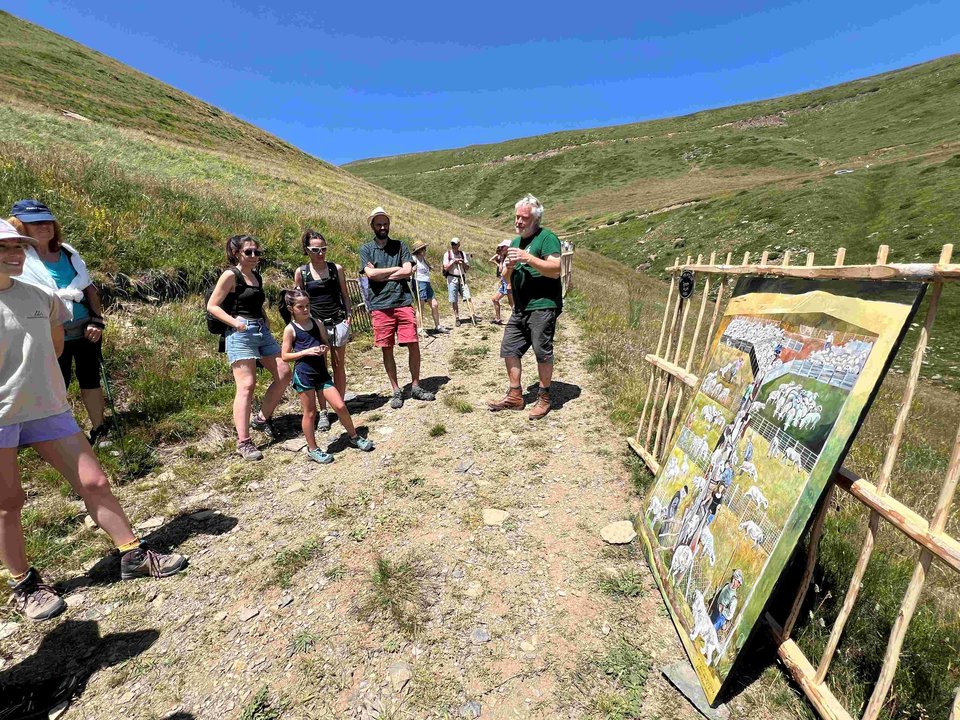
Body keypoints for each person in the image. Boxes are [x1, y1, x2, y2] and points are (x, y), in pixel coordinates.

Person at [0, 219, 187, 622]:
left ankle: (132, 554)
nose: (15, 255)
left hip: (47, 407)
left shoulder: (39, 294)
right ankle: (25, 583)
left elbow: (52, 343)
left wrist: (45, 383)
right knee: (7, 502)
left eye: (18, 247)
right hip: (1, 416)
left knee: (95, 481)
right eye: (4, 249)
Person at [9, 201, 108, 445]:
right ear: (21, 226)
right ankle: (58, 437)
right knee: (54, 386)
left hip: (86, 330)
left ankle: (99, 430)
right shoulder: (18, 258)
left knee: (91, 380)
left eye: (48, 221)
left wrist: (97, 320)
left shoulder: (68, 252)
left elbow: (89, 289)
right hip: (46, 333)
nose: (45, 226)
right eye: (36, 223)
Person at [206, 235, 291, 460]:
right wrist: (235, 323)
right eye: (249, 252)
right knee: (247, 385)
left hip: (260, 330)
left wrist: (265, 319)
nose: (254, 256)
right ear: (236, 253)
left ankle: (261, 419)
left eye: (257, 252)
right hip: (240, 333)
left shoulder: (256, 276)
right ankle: (244, 442)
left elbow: (256, 302)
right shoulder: (230, 275)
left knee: (283, 373)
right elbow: (212, 305)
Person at [488, 194, 563, 420]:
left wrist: (527, 258)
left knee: (542, 351)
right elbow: (505, 276)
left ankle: (544, 397)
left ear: (535, 220)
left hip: (543, 305)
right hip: (520, 307)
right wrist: (509, 266)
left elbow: (555, 268)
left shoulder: (547, 238)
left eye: (524, 218)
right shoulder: (514, 242)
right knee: (509, 348)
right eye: (517, 217)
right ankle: (515, 396)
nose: (518, 222)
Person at [279, 289, 374, 463]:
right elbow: (285, 356)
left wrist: (324, 348)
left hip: (321, 373)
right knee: (310, 413)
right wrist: (306, 351)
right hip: (304, 375)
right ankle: (312, 448)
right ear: (291, 308)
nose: (306, 309)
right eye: (301, 307)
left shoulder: (317, 323)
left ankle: (354, 437)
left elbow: (325, 343)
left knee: (340, 405)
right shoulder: (290, 330)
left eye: (307, 305)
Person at [359, 207, 436, 410]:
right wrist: (395, 270)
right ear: (373, 226)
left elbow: (408, 270)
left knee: (413, 343)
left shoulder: (400, 245)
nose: (383, 227)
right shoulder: (366, 249)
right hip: (380, 305)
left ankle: (416, 386)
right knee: (387, 348)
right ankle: (396, 389)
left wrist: (382, 273)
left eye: (385, 224)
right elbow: (370, 275)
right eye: (379, 224)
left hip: (402, 301)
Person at [294, 229, 353, 431]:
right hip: (315, 326)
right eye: (316, 249)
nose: (321, 253)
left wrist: (348, 317)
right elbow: (298, 300)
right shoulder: (301, 272)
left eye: (324, 248)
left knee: (338, 365)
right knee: (320, 370)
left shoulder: (336, 269)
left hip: (337, 322)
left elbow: (345, 294)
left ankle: (340, 404)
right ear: (307, 250)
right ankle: (324, 412)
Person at [411, 241, 447, 333]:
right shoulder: (413, 259)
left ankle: (438, 326)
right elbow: (409, 270)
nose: (425, 250)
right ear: (419, 250)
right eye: (424, 249)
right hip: (418, 282)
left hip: (427, 283)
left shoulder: (423, 259)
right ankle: (419, 328)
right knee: (420, 307)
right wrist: (412, 270)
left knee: (434, 304)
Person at [442, 238, 471, 326]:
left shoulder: (462, 254)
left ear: (459, 245)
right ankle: (457, 318)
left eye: (455, 244)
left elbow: (467, 267)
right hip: (452, 278)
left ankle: (472, 315)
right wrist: (453, 261)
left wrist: (462, 263)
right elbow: (445, 268)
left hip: (462, 278)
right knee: (454, 299)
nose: (453, 246)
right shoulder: (447, 254)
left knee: (467, 296)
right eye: (452, 244)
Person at [489, 239, 513, 325]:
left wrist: (509, 283)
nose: (501, 248)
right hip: (504, 282)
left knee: (512, 303)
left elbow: (512, 271)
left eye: (503, 247)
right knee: (495, 299)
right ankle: (498, 319)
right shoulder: (504, 257)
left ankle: (518, 321)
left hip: (509, 283)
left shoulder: (511, 258)